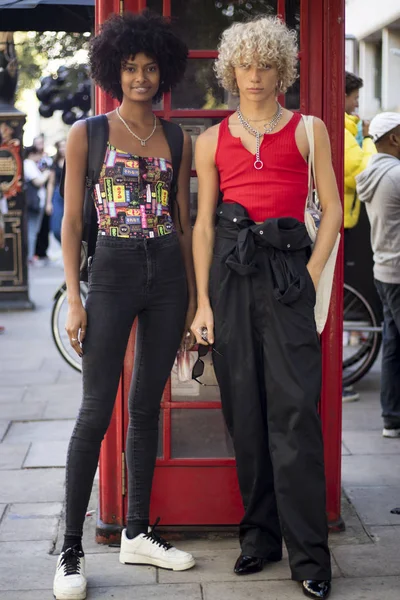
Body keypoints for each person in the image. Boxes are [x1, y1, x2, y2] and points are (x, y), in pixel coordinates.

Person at [191, 17, 342, 600]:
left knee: (297, 414)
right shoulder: (210, 140)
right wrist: (202, 302)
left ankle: (310, 557)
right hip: (231, 277)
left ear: (284, 70)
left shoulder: (310, 130)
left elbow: (330, 209)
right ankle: (259, 538)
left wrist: (307, 275)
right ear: (231, 72)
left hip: (287, 275)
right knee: (245, 415)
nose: (254, 76)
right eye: (245, 66)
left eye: (266, 65)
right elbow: (202, 226)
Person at [53, 11, 196, 600]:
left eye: (150, 68)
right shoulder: (89, 132)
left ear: (164, 72)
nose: (140, 77)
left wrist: (194, 300)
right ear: (114, 70)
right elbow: (70, 221)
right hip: (109, 273)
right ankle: (70, 549)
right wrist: (74, 300)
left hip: (166, 276)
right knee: (94, 413)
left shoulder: (179, 136)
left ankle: (137, 531)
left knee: (145, 407)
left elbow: (184, 225)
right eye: (131, 67)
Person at [356, 112, 400, 439]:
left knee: (393, 346)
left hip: (383, 270)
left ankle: (391, 418)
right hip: (398, 270)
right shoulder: (396, 174)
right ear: (394, 138)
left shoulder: (372, 170)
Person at [343, 72, 376, 402]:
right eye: (354, 97)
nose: (356, 104)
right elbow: (361, 172)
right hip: (339, 222)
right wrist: (368, 140)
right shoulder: (344, 130)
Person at [23, 146, 51, 263]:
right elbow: (37, 181)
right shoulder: (28, 163)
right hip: (33, 203)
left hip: (36, 202)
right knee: (32, 231)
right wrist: (46, 174)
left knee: (33, 231)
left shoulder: (31, 164)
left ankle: (30, 256)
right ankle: (29, 257)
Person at [46, 139, 66, 244]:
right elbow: (51, 183)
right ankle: (65, 247)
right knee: (56, 229)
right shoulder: (55, 163)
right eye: (61, 146)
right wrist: (48, 203)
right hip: (58, 195)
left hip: (71, 195)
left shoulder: (74, 160)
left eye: (64, 146)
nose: (63, 149)